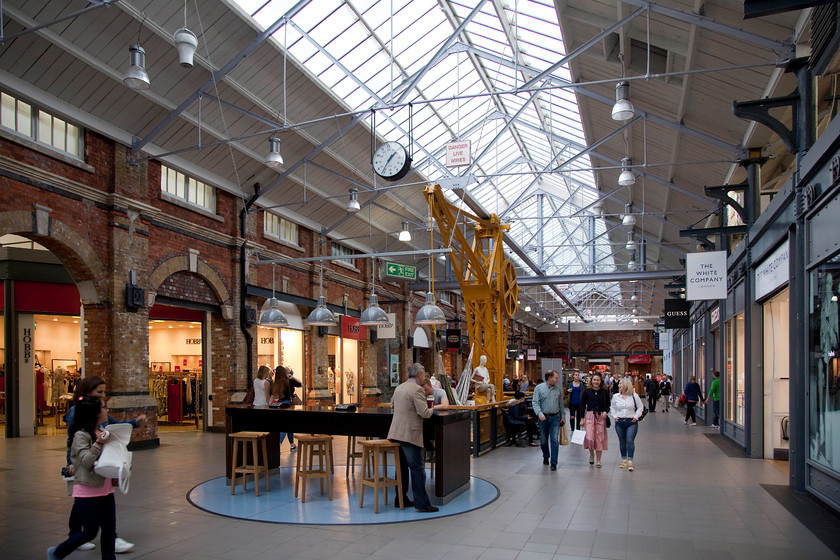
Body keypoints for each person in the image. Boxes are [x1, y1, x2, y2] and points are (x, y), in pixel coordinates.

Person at [64, 376, 143, 554]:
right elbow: (74, 443)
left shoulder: (100, 416)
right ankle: (76, 538)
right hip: (87, 467)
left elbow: (116, 425)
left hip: (99, 468)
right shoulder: (80, 417)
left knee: (91, 505)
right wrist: (71, 463)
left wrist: (135, 423)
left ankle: (105, 537)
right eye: (99, 392)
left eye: (104, 392)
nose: (103, 396)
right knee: (83, 502)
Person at [49, 396, 119, 560]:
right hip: (87, 491)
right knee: (89, 532)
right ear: (94, 412)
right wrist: (99, 444)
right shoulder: (81, 435)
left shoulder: (102, 431)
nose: (107, 411)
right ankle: (58, 552)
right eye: (104, 408)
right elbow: (85, 462)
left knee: (109, 531)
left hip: (105, 489)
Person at [388, 363, 439, 513]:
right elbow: (424, 412)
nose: (424, 376)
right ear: (419, 374)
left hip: (396, 433)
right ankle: (422, 503)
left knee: (402, 468)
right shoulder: (417, 389)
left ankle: (401, 499)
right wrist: (433, 409)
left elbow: (392, 405)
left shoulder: (400, 387)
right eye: (423, 374)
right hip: (410, 434)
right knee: (417, 469)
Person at [531, 370, 565, 471]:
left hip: (555, 417)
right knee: (543, 441)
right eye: (555, 377)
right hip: (543, 418)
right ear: (549, 378)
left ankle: (554, 462)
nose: (557, 380)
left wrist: (563, 416)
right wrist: (540, 414)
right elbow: (535, 402)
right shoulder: (539, 388)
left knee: (554, 439)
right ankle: (546, 455)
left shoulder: (558, 389)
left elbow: (561, 404)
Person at [610, 377, 644, 471]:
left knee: (630, 440)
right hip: (620, 421)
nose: (619, 385)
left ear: (626, 385)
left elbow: (640, 407)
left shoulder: (634, 396)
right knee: (622, 441)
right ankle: (624, 459)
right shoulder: (616, 396)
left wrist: (636, 417)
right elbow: (612, 407)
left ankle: (630, 461)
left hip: (631, 421)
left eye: (621, 383)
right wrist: (615, 416)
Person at [580, 372, 610, 468]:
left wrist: (606, 411)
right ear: (591, 381)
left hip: (601, 416)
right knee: (590, 436)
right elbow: (582, 405)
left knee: (600, 437)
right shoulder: (586, 392)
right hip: (589, 415)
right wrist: (581, 419)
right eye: (594, 380)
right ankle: (591, 453)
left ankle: (598, 459)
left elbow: (608, 404)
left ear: (600, 381)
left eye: (598, 380)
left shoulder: (604, 392)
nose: (596, 382)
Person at [272, 365, 301, 451]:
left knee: (289, 425)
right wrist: (292, 378)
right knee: (285, 426)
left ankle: (292, 444)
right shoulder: (288, 381)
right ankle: (278, 445)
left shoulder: (275, 383)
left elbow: (273, 396)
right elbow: (300, 384)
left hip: (279, 405)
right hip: (287, 405)